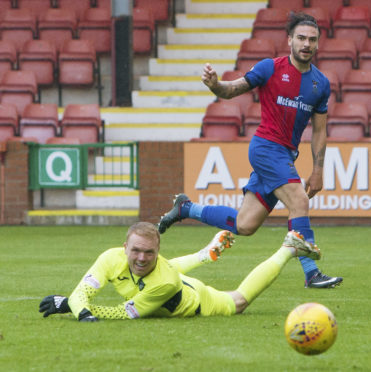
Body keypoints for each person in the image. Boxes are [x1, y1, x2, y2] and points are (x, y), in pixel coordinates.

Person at [158, 12, 342, 289]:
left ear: (318, 44)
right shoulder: (270, 68)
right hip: (266, 148)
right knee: (299, 201)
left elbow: (319, 131)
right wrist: (215, 85)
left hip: (286, 154)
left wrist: (317, 170)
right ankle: (311, 272)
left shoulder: (321, 84)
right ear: (290, 39)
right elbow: (233, 90)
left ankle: (187, 208)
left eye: (312, 40)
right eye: (301, 38)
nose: (306, 44)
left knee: (245, 224)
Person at [38, 222, 321, 321]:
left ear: (157, 251)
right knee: (157, 271)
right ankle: (204, 254)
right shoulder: (110, 258)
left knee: (239, 302)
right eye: (135, 250)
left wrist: (73, 308)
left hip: (197, 301)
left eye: (149, 252)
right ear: (124, 246)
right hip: (168, 278)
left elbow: (123, 313)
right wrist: (74, 304)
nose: (140, 257)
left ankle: (289, 248)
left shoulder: (166, 280)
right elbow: (81, 293)